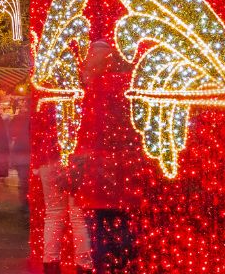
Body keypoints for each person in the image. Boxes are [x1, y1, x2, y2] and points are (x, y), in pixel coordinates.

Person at [77, 41, 139, 274]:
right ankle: (125, 266)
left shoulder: (99, 91)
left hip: (102, 174)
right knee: (123, 227)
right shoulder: (126, 86)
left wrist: (79, 162)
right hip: (125, 172)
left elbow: (91, 131)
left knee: (101, 232)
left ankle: (107, 268)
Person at [7, 107, 30, 206]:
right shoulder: (28, 119)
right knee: (25, 178)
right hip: (25, 152)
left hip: (21, 151)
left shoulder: (17, 119)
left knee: (24, 179)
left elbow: (11, 133)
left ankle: (24, 199)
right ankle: (25, 200)